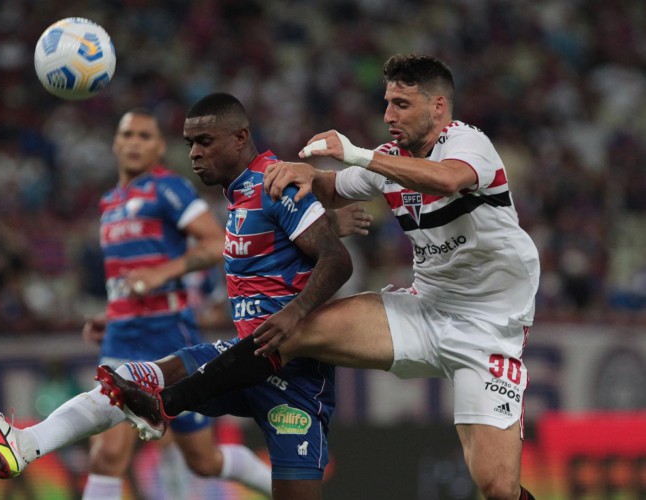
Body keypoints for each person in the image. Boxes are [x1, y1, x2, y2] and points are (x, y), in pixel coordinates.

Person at [103, 55, 539, 500]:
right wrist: (306, 174)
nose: (388, 115)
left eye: (402, 105)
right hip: (426, 308)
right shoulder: (388, 161)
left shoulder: (467, 144)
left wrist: (356, 154)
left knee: (497, 488)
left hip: (489, 327)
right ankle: (166, 404)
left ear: (439, 107)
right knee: (289, 328)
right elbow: (333, 188)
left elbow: (447, 181)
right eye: (387, 103)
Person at [0, 93, 357, 500]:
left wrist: (296, 312)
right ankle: (24, 445)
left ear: (240, 137)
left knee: (209, 462)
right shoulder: (220, 196)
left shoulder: (268, 182)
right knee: (124, 386)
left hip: (294, 376)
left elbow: (336, 260)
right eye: (190, 144)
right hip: (241, 357)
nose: (195, 154)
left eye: (205, 141)